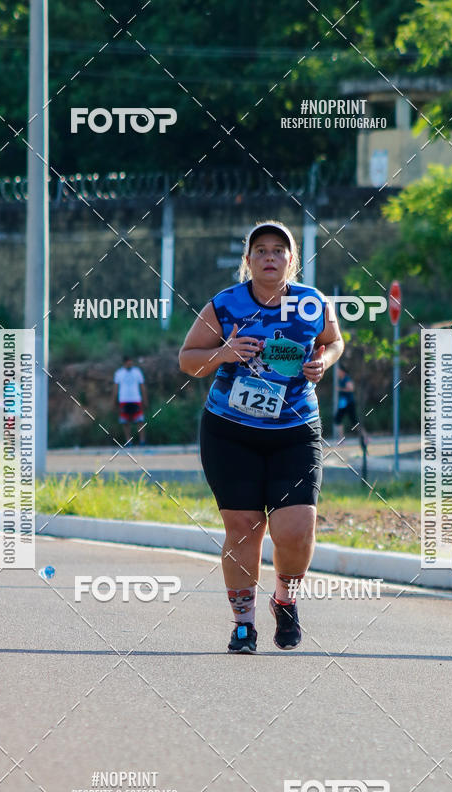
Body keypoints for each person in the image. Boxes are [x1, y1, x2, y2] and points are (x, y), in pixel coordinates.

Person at [179, 221, 344, 654]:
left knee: (297, 528)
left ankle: (286, 599)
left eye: (278, 250)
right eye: (261, 250)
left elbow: (334, 341)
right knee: (244, 526)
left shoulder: (312, 303)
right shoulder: (225, 305)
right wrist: (223, 354)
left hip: (295, 429)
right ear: (248, 260)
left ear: (292, 260)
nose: (270, 257)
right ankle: (243, 624)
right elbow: (188, 361)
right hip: (230, 431)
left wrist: (322, 361)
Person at [113, 355, 148, 446]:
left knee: (140, 421)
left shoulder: (137, 372)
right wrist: (114, 400)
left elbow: (142, 387)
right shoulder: (119, 373)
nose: (130, 363)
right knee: (125, 422)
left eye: (131, 361)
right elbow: (116, 388)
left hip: (136, 399)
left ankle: (142, 441)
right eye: (128, 361)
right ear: (124, 363)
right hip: (124, 400)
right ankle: (129, 442)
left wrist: (145, 399)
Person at [334, 364, 369, 447]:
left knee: (354, 422)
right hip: (343, 404)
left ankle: (365, 436)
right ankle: (341, 439)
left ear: (342, 371)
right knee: (338, 420)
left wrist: (340, 389)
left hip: (349, 403)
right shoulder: (340, 379)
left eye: (338, 371)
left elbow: (351, 388)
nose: (337, 373)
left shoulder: (346, 378)